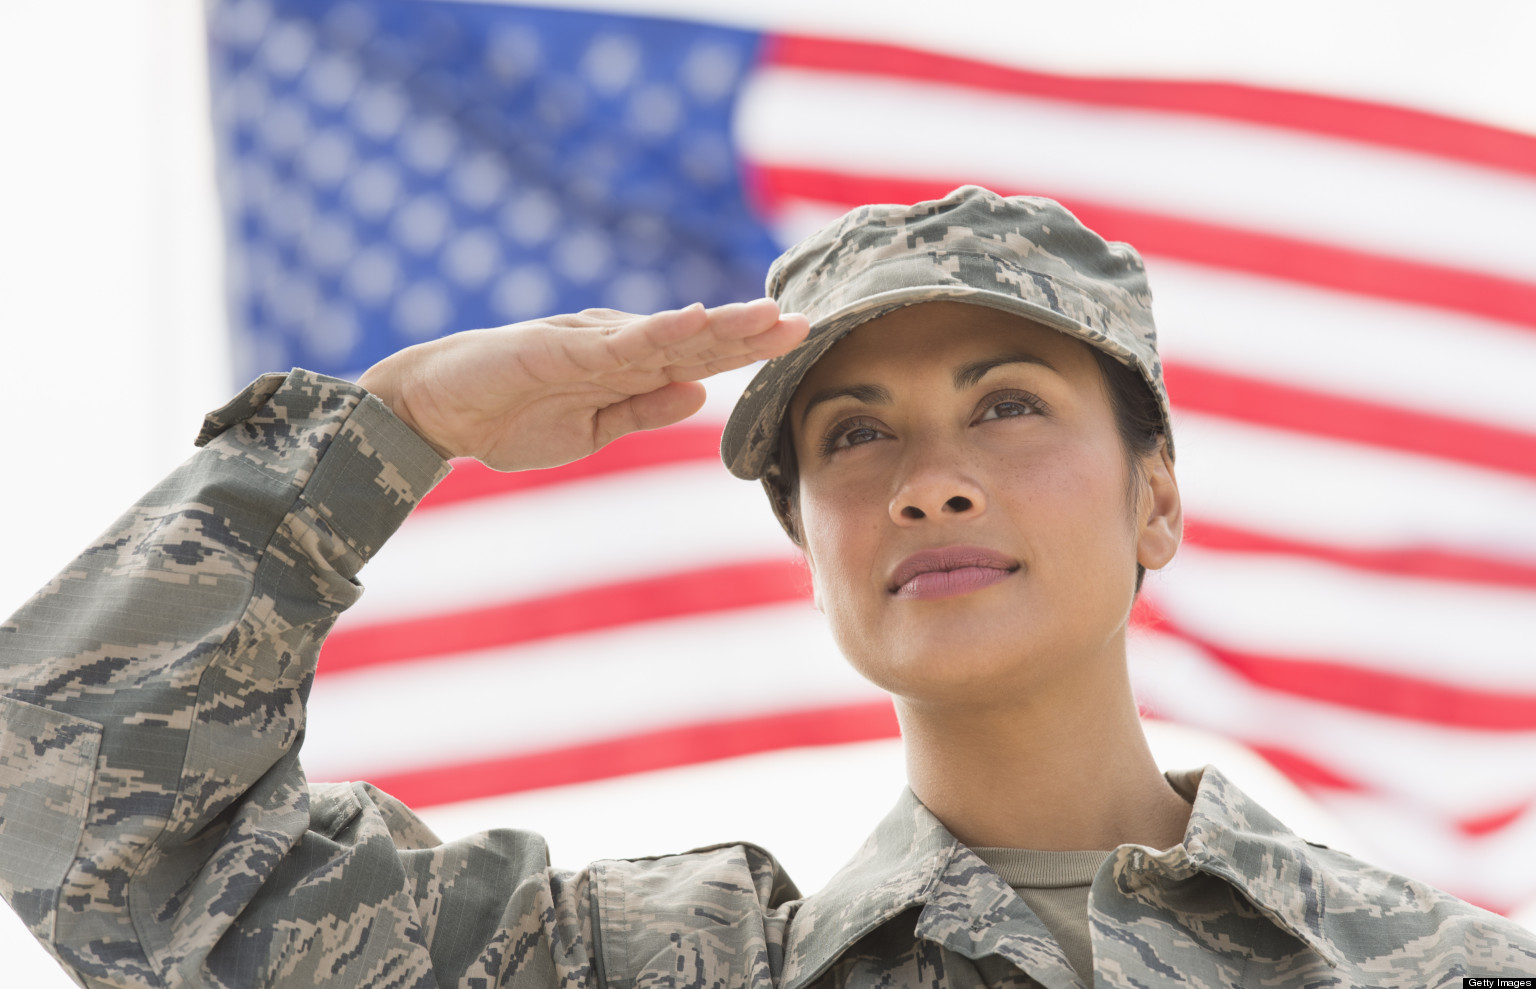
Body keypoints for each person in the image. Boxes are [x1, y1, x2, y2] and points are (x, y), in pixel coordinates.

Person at [1, 186, 1531, 989]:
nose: (931, 477)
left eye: (1008, 402)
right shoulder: (661, 970)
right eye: (856, 435)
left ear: (1159, 494)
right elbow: (80, 808)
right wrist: (398, 424)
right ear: (811, 543)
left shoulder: (1443, 971)